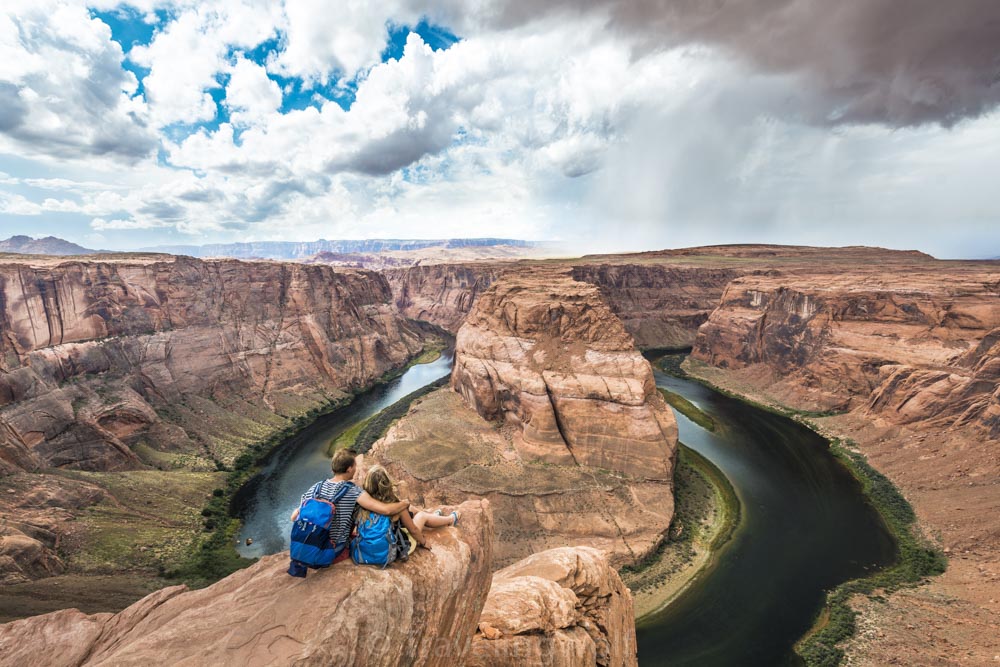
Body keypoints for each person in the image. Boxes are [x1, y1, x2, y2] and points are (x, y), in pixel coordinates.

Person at [287, 449, 408, 578]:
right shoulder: (353, 491)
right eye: (355, 465)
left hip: (310, 547)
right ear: (349, 468)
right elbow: (386, 510)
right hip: (334, 551)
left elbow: (294, 516)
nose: (356, 468)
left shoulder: (316, 487)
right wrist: (404, 504)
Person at [351, 465, 458, 566]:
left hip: (365, 552)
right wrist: (423, 542)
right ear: (387, 484)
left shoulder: (362, 504)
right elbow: (414, 530)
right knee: (421, 516)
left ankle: (434, 517)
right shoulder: (396, 506)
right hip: (390, 551)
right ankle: (450, 519)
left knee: (411, 509)